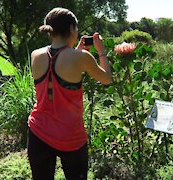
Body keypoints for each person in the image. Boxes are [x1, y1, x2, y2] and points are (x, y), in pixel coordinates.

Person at [27, 7, 112, 180]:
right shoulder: (80, 57)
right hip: (70, 137)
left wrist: (77, 50)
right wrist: (101, 51)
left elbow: (58, 62)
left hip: (38, 133)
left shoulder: (36, 55)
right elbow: (106, 78)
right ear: (72, 29)